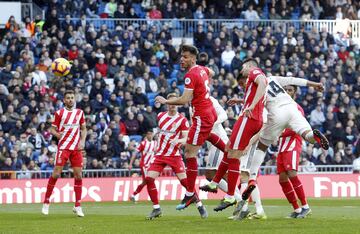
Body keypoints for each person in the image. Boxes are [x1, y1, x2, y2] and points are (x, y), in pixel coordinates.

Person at [232, 75, 329, 219]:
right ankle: (314, 137)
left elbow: (255, 103)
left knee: (262, 144)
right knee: (306, 134)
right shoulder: (272, 78)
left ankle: (252, 177)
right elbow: (293, 79)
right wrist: (314, 84)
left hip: (280, 120)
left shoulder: (255, 86)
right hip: (290, 111)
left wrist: (243, 102)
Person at [155, 45, 218, 210]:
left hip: (202, 116)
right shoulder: (201, 70)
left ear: (193, 59)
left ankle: (190, 193)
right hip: (209, 111)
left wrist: (165, 101)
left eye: (185, 57)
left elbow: (184, 100)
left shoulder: (191, 75)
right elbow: (212, 72)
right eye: (181, 56)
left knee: (190, 153)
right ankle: (227, 151)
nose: (182, 59)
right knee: (201, 142)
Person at [200, 58, 267, 212]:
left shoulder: (254, 72)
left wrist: (251, 105)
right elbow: (257, 91)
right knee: (229, 149)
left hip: (249, 118)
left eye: (244, 66)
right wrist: (241, 101)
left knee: (234, 155)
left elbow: (263, 82)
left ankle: (230, 195)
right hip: (249, 117)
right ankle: (215, 182)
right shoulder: (251, 81)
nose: (241, 69)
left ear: (250, 66)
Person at [145, 93, 207, 220]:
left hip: (174, 156)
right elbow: (160, 133)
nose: (172, 106)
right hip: (161, 155)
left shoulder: (182, 120)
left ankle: (200, 205)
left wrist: (179, 141)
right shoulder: (160, 116)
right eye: (170, 103)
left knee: (185, 182)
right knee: (149, 179)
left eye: (175, 103)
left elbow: (186, 138)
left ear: (178, 105)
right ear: (167, 104)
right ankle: (156, 209)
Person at [41, 90, 87, 217]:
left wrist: (82, 141)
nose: (70, 99)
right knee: (56, 174)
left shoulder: (80, 113)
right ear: (64, 100)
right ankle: (46, 202)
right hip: (64, 148)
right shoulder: (59, 113)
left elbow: (83, 128)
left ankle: (77, 205)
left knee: (78, 176)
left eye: (72, 97)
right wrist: (57, 134)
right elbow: (52, 129)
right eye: (68, 98)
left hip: (76, 148)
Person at [277, 85, 311, 218]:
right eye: (285, 89)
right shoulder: (279, 108)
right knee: (282, 179)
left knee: (292, 174)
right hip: (281, 147)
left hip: (292, 144)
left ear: (294, 93)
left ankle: (305, 206)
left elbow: (298, 126)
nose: (287, 91)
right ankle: (296, 209)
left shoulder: (297, 108)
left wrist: (278, 133)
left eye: (290, 89)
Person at [129, 130, 156, 202]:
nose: (150, 135)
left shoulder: (155, 143)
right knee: (149, 181)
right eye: (149, 134)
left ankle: (133, 195)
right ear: (146, 135)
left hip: (151, 166)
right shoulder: (143, 144)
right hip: (144, 165)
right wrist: (130, 164)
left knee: (145, 182)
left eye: (151, 134)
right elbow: (135, 153)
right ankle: (153, 197)